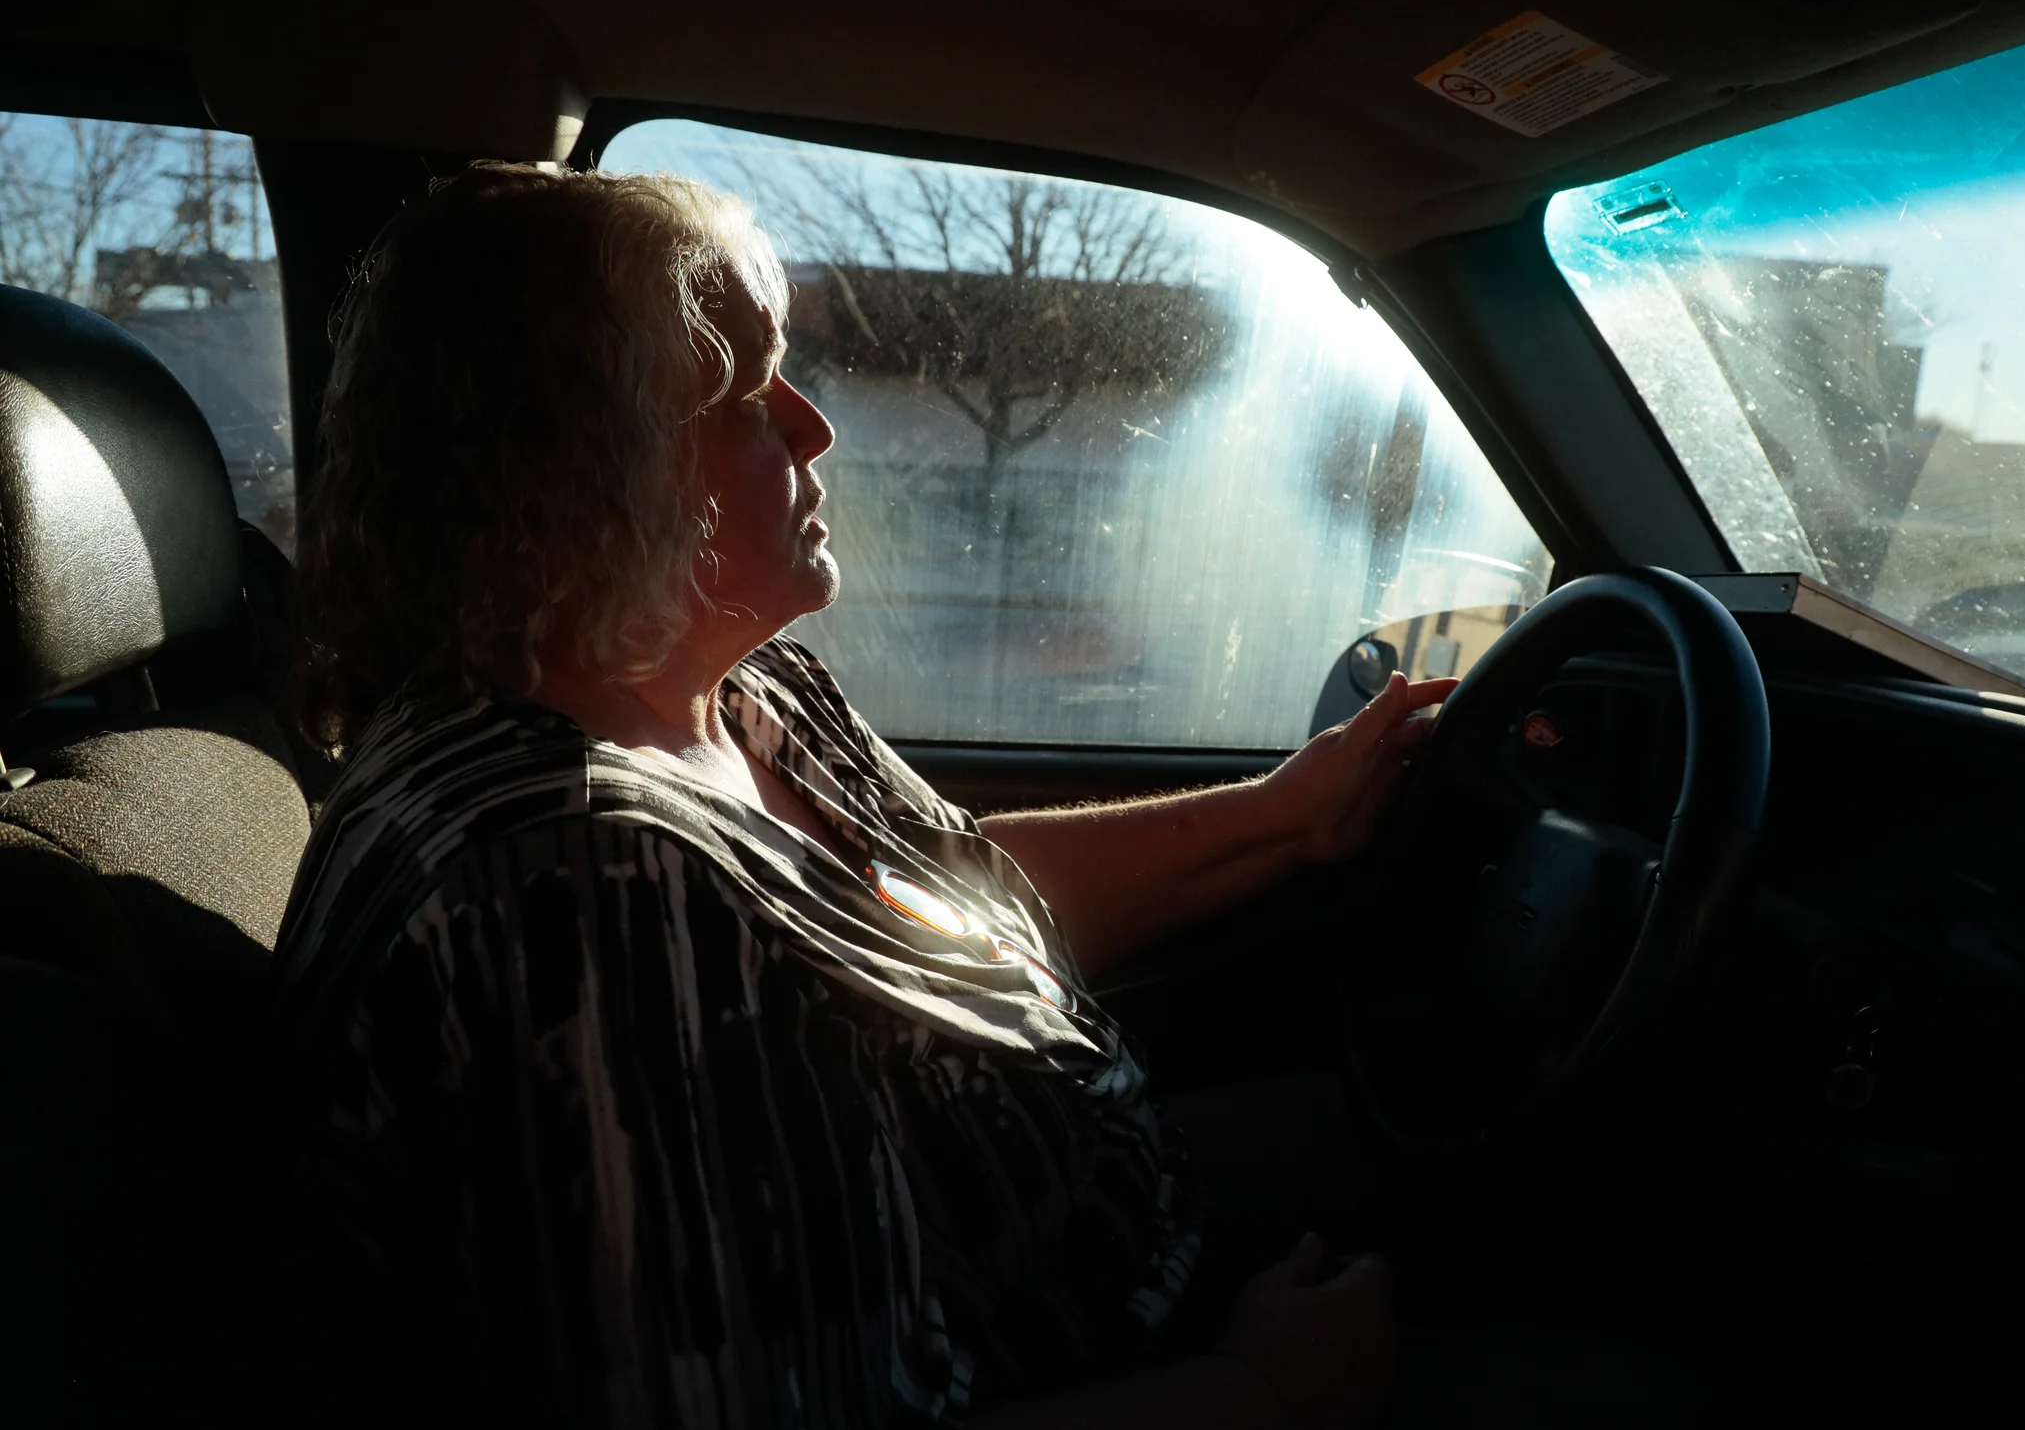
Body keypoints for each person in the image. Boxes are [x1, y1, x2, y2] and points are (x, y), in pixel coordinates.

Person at [273, 162, 1455, 1429]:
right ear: (568, 474)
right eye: (741, 395)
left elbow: (945, 898)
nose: (812, 428)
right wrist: (1261, 1388)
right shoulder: (581, 893)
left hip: (1126, 1243)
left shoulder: (740, 694)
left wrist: (1290, 814)